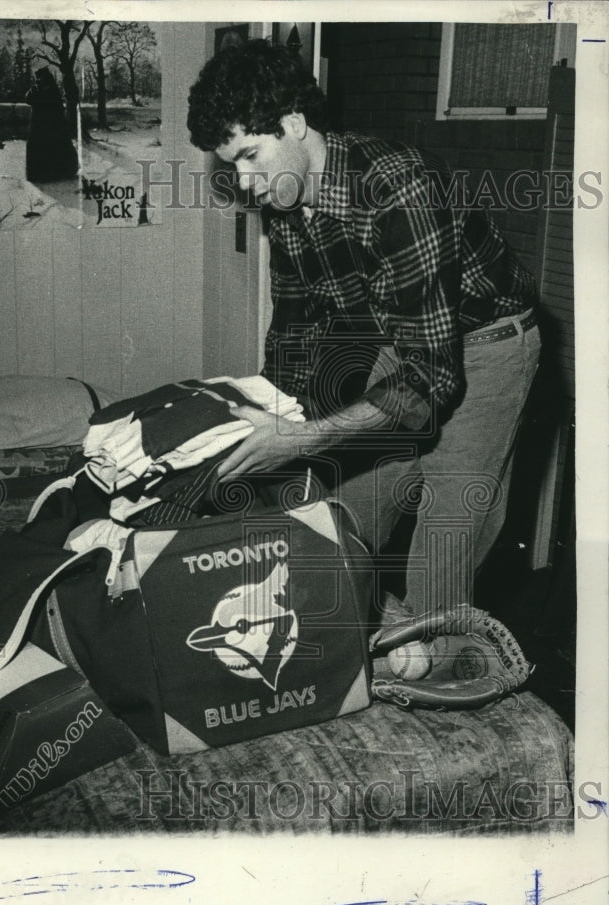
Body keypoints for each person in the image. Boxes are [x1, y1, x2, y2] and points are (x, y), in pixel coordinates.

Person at [186, 39, 540, 618]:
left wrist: (301, 438)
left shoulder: (399, 187)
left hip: (488, 344)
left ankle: (437, 660)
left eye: (251, 155)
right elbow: (294, 337)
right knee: (345, 516)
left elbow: (432, 377)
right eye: (233, 167)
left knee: (444, 542)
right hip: (406, 343)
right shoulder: (286, 205)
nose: (245, 183)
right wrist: (268, 420)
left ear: (295, 124)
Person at [25, 67, 78, 183]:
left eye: (39, 78)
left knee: (48, 148)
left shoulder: (51, 90)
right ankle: (44, 174)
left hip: (48, 126)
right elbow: (29, 99)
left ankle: (51, 174)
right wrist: (34, 89)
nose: (38, 81)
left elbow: (38, 101)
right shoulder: (42, 89)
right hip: (41, 125)